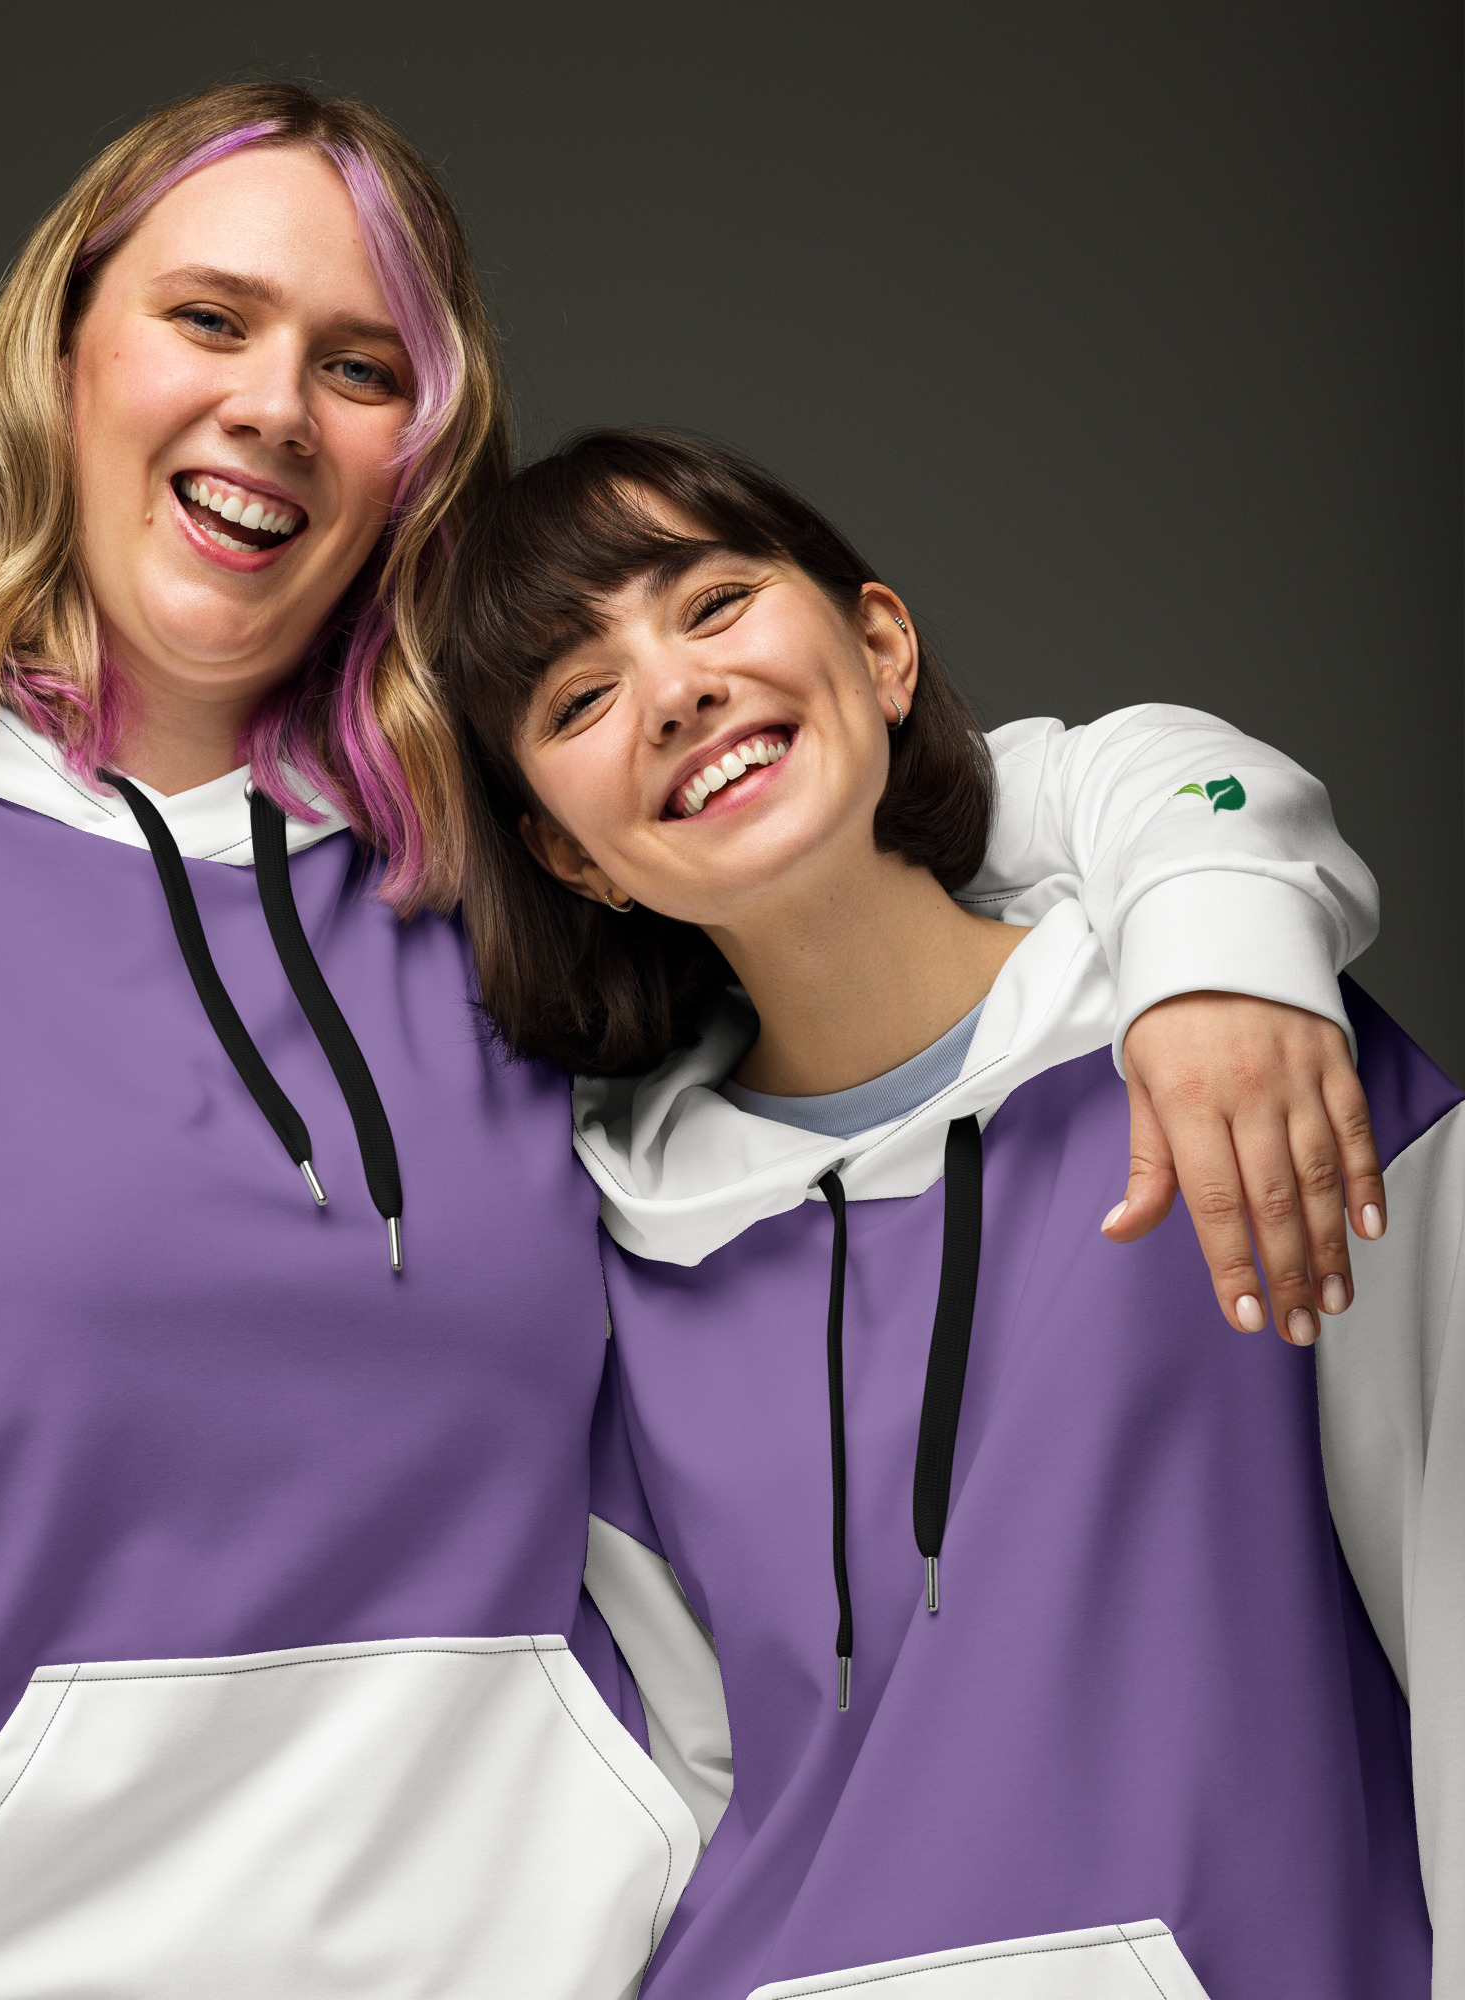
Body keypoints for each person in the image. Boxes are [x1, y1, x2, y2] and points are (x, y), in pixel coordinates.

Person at [0, 86, 1396, 1999]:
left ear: (421, 456)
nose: (274, 407)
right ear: (61, 353)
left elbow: (898, 805)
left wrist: (1219, 928)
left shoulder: (495, 871)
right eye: (209, 319)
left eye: (361, 365)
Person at [439, 427, 1458, 1998]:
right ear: (576, 858)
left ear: (881, 647)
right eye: (579, 700)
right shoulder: (613, 1271)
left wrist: (1215, 921)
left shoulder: (1240, 1048)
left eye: (712, 605)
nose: (675, 691)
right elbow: (679, 1792)